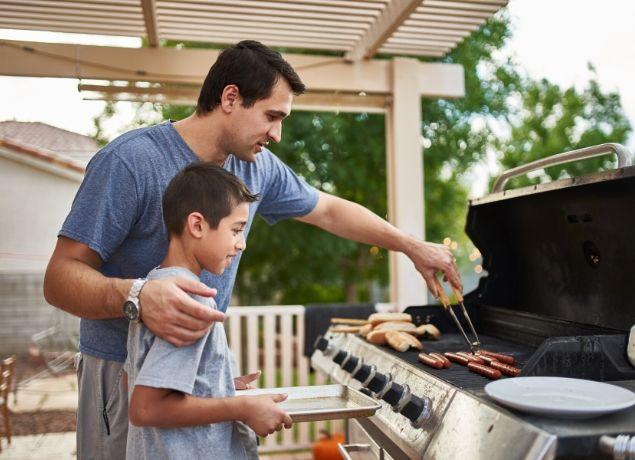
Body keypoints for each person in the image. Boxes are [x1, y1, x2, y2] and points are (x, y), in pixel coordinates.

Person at [43, 40, 461, 459]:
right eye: (271, 116)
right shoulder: (131, 162)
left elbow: (330, 211)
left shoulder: (255, 167)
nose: (277, 134)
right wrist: (138, 297)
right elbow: (60, 279)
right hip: (120, 375)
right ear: (230, 98)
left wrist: (411, 247)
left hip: (193, 382)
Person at [125, 162, 291, 459]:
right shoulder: (191, 300)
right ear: (197, 225)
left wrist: (219, 385)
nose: (241, 245)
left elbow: (137, 378)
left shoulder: (156, 288)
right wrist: (242, 406)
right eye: (237, 230)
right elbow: (146, 407)